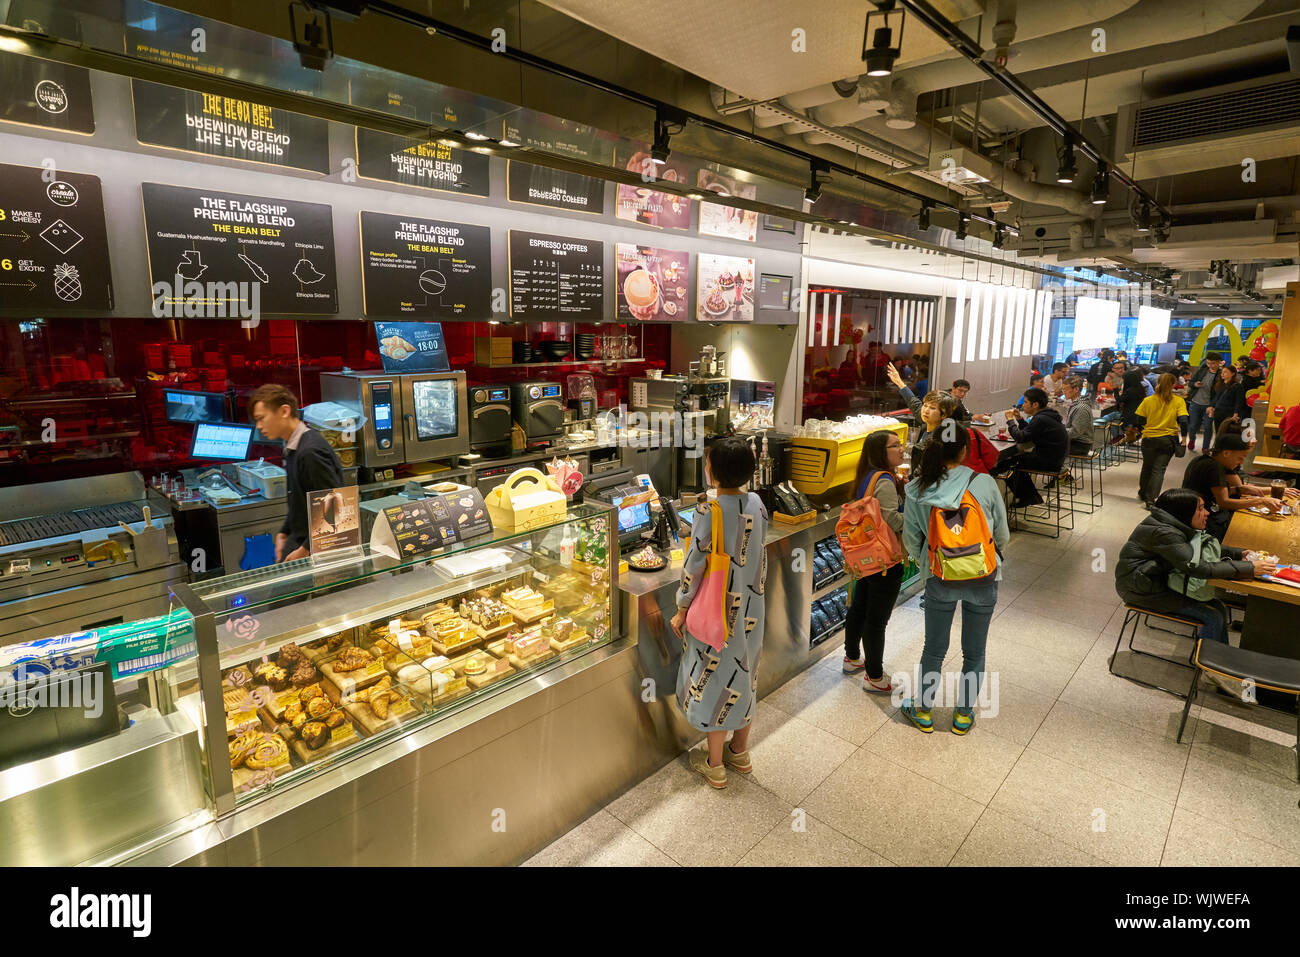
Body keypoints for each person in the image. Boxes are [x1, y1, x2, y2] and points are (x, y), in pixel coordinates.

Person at [670, 437, 768, 789]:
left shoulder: (706, 511)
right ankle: (739, 752)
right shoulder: (757, 503)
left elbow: (693, 566)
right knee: (746, 677)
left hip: (716, 616)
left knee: (715, 684)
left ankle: (714, 766)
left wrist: (681, 608)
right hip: (751, 609)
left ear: (712, 471)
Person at [899, 428, 1010, 735]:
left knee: (934, 648)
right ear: (964, 451)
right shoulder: (983, 483)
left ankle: (922, 710)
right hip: (982, 577)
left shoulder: (918, 489)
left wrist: (928, 560)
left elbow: (911, 540)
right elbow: (1002, 534)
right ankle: (963, 716)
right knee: (975, 651)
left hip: (939, 576)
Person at [1114, 488, 1273, 646]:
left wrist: (1238, 554)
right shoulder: (1165, 532)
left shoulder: (1174, 524)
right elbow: (1198, 568)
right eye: (1200, 509)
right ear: (1184, 512)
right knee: (1212, 615)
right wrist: (1249, 568)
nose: (1207, 513)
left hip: (1155, 580)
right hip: (1139, 589)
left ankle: (1215, 655)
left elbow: (1196, 549)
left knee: (1218, 606)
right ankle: (1210, 665)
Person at [249, 383, 344, 563]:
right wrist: (285, 531)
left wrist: (306, 550)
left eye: (262, 418)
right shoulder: (294, 445)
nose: (259, 426)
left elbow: (335, 508)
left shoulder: (310, 452)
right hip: (302, 540)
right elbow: (300, 498)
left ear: (284, 411)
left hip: (319, 549)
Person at [841, 430, 906, 692]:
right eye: (895, 445)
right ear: (882, 452)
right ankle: (875, 677)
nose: (901, 449)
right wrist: (914, 510)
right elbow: (893, 520)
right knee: (876, 619)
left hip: (865, 555)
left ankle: (852, 658)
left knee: (859, 606)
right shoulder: (886, 481)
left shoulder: (867, 475)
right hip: (884, 559)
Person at [1181, 434, 1282, 541]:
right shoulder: (1214, 467)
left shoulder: (1201, 459)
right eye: (1240, 457)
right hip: (1203, 523)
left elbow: (1208, 491)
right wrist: (1261, 501)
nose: (1242, 462)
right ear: (1226, 453)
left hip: (1189, 517)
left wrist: (1241, 489)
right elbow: (1224, 502)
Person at [995, 387, 1070, 507]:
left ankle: (1026, 498)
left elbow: (1021, 437)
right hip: (1055, 458)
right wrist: (1019, 419)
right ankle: (1031, 497)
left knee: (1007, 465)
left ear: (1035, 404)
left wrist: (1010, 421)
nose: (1022, 405)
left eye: (1025, 402)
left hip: (1048, 461)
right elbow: (1030, 432)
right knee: (1014, 462)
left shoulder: (1040, 418)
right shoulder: (1047, 415)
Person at [1134, 373, 1189, 507]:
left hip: (1149, 439)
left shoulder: (1148, 401)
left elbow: (1139, 420)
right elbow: (1183, 420)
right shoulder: (1178, 401)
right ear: (1173, 385)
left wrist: (1145, 430)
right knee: (1159, 469)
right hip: (1168, 440)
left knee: (1147, 466)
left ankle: (1143, 492)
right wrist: (1184, 438)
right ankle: (1151, 499)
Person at [1184, 351, 1224, 451]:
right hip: (1195, 402)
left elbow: (1220, 392)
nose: (1210, 365)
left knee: (1208, 427)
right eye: (1208, 363)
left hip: (1209, 405)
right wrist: (1195, 384)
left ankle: (1205, 448)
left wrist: (1213, 405)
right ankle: (1192, 439)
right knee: (1193, 425)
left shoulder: (1221, 374)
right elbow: (1191, 382)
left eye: (1213, 363)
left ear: (1219, 362)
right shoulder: (1202, 370)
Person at [1207, 363, 1245, 446]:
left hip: (1229, 414)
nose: (1222, 374)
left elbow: (1239, 402)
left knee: (1227, 433)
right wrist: (1211, 406)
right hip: (1218, 412)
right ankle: (1218, 448)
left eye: (1225, 372)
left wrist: (1236, 414)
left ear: (1233, 373)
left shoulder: (1237, 386)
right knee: (1218, 432)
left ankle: (1225, 448)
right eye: (1222, 372)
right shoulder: (1221, 385)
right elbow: (1216, 398)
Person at [1060, 376, 1095, 456]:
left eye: (1065, 389)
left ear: (1076, 389)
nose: (1063, 392)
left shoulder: (1081, 407)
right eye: (1063, 389)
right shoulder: (1077, 404)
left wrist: (1059, 432)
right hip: (1076, 442)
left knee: (1046, 446)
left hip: (1080, 445)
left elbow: (1075, 433)